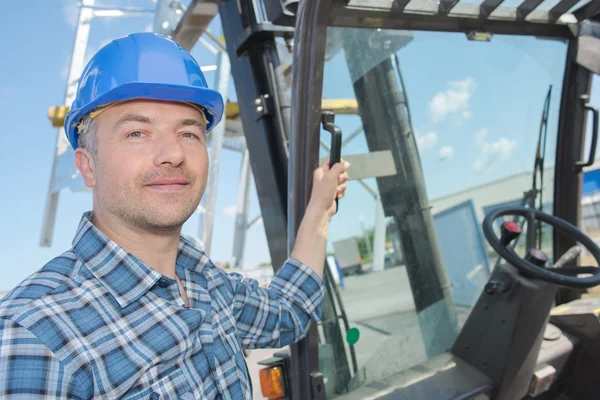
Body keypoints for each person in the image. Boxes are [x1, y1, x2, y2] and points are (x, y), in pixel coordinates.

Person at [0, 32, 349, 399]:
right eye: (137, 132)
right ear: (87, 166)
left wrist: (320, 208)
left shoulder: (208, 285)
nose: (173, 153)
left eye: (189, 133)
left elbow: (290, 309)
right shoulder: (34, 336)